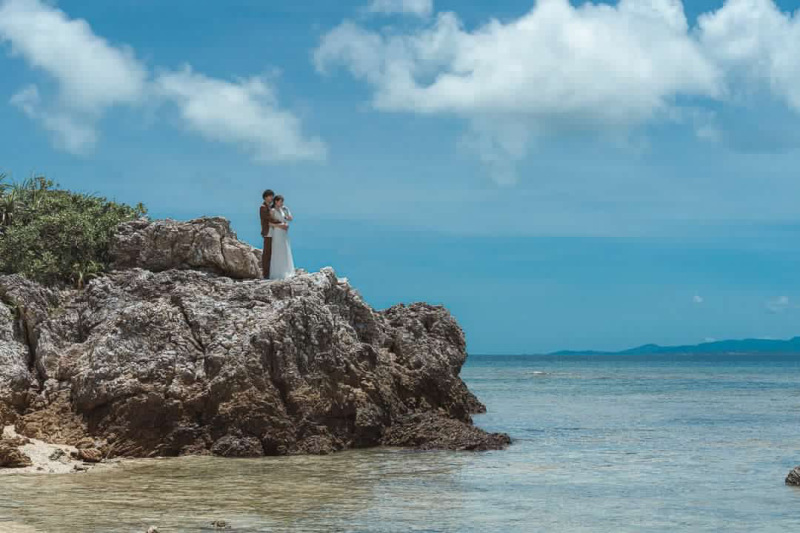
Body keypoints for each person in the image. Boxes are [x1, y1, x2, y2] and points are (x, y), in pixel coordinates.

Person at [259, 189, 287, 279]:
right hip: (268, 232)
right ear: (266, 197)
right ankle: (265, 274)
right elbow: (268, 219)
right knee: (267, 254)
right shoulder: (263, 207)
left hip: (274, 232)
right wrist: (280, 222)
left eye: (272, 196)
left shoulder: (271, 207)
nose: (271, 198)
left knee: (272, 253)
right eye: (270, 196)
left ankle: (272, 273)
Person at [269, 195, 295, 280]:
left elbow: (290, 218)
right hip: (277, 232)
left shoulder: (282, 210)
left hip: (284, 233)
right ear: (276, 201)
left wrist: (287, 210)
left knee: (284, 250)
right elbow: (269, 223)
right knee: (278, 250)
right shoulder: (272, 211)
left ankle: (286, 271)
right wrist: (280, 226)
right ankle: (277, 273)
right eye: (281, 201)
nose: (282, 203)